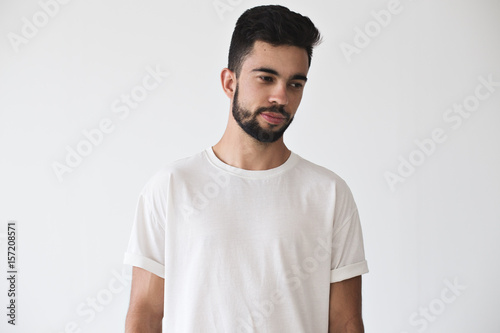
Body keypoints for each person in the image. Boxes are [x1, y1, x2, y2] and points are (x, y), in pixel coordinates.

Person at [124, 5, 368, 332]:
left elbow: (346, 322)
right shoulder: (172, 186)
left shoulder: (329, 193)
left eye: (295, 83)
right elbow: (145, 313)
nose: (280, 96)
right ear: (229, 82)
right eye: (266, 78)